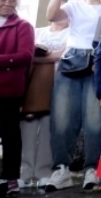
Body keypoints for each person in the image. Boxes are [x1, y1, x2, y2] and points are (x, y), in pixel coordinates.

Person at [43, 0, 101, 192]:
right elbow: (51, 15)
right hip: (71, 63)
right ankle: (61, 169)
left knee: (94, 120)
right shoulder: (73, 5)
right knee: (62, 117)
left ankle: (92, 169)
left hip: (97, 63)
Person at [0, 0, 35, 195]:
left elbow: (25, 55)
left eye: (12, 1)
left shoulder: (22, 26)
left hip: (8, 88)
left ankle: (10, 177)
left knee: (10, 133)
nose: (8, 4)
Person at [21, 16, 68, 188]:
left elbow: (60, 55)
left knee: (49, 130)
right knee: (27, 128)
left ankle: (44, 172)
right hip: (34, 85)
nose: (61, 16)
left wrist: (39, 56)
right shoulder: (37, 31)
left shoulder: (72, 33)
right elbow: (26, 54)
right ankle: (24, 172)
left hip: (60, 85)